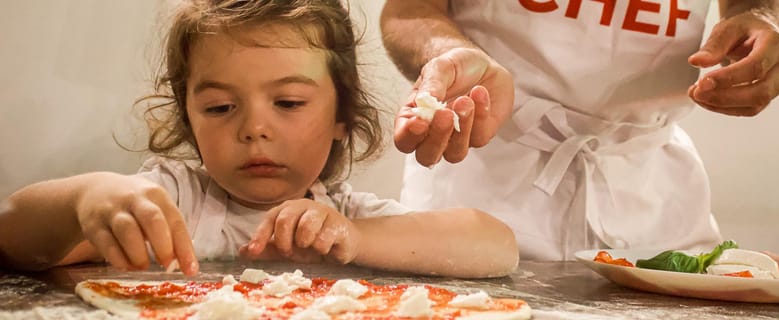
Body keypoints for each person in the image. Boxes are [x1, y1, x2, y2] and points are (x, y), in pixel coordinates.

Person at [0, 0, 518, 278]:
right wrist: (84, 199)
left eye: (289, 102)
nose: (254, 128)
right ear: (188, 116)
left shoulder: (344, 220)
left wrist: (358, 239)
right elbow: (11, 235)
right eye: (220, 107)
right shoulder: (173, 203)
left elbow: (496, 245)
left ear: (343, 115)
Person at [381, 0, 779, 260]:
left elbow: (756, 5)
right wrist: (452, 58)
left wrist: (761, 24)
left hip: (652, 196)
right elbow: (409, 9)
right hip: (482, 183)